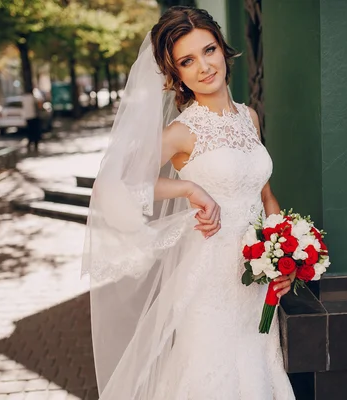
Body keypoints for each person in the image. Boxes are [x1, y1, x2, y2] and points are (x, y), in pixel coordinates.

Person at [82, 6, 296, 400]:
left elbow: (265, 195)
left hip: (254, 283)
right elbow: (113, 183)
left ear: (223, 50)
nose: (204, 66)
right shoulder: (182, 131)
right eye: (187, 60)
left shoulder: (250, 118)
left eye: (209, 50)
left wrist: (284, 255)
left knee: (257, 374)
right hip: (211, 281)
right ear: (175, 73)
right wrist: (188, 190)